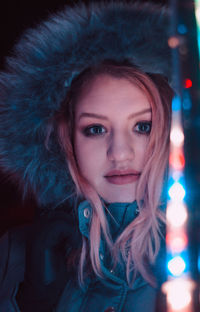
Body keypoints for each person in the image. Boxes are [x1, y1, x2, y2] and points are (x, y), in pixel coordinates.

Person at [0, 1, 174, 311]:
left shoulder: (191, 256)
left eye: (143, 126)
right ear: (64, 139)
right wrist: (31, 301)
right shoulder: (16, 253)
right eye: (95, 129)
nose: (120, 153)